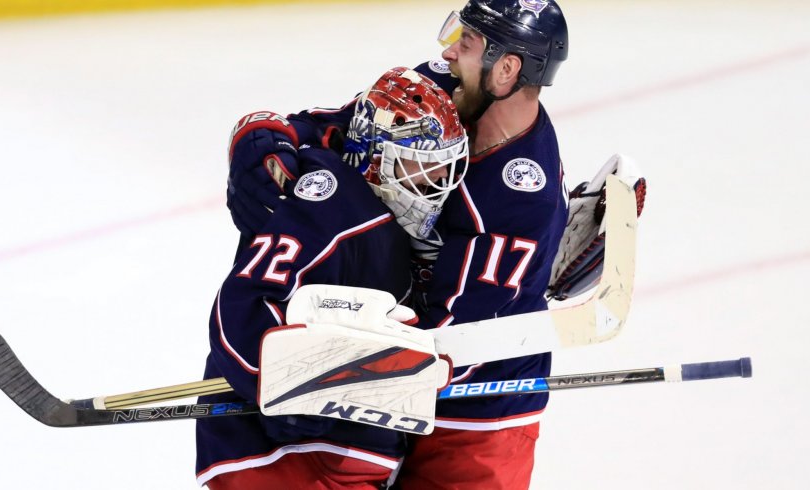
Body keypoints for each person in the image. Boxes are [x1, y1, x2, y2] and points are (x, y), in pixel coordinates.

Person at [225, 1, 571, 488]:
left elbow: (450, 345)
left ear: (507, 68)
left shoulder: (516, 204)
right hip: (393, 406)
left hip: (475, 416)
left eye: (465, 43)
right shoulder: (453, 90)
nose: (447, 53)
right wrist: (262, 136)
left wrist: (321, 378)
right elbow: (347, 127)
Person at [196, 67, 469, 489]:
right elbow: (239, 310)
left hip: (349, 451)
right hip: (276, 456)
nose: (437, 182)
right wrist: (286, 393)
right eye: (423, 165)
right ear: (379, 157)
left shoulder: (393, 222)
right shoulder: (330, 207)